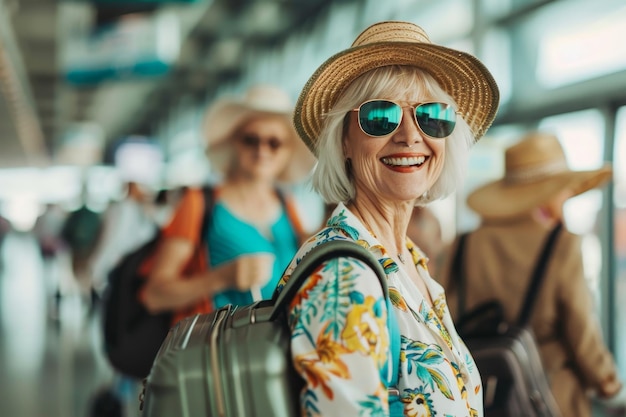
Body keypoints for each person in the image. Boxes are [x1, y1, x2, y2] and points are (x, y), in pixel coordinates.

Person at [275, 21, 500, 416]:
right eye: (381, 116)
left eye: (431, 115)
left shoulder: (408, 262)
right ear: (344, 139)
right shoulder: (344, 277)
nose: (410, 136)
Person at [440, 131, 623, 417]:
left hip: (482, 393)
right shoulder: (562, 245)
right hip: (550, 399)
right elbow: (581, 333)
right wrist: (609, 384)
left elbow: (444, 316)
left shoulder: (464, 243)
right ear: (547, 192)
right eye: (564, 189)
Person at [140, 85, 316, 324]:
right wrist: (221, 278)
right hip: (218, 352)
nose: (262, 150)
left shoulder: (288, 206)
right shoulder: (199, 202)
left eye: (274, 142)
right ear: (234, 143)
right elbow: (154, 295)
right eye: (251, 140)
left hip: (276, 350)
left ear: (287, 152)